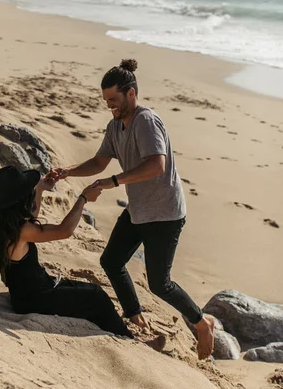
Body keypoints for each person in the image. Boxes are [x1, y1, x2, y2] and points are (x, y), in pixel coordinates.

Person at [52, 59, 215, 359]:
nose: (109, 105)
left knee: (160, 284)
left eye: (113, 99)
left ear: (130, 93)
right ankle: (134, 314)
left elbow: (156, 165)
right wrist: (68, 172)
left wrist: (113, 181)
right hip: (138, 209)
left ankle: (201, 322)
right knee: (111, 261)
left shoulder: (146, 121)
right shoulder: (115, 126)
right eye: (105, 100)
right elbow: (99, 162)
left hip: (164, 214)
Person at [0, 165, 134, 339]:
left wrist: (40, 189)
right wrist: (83, 198)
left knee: (86, 291)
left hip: (29, 293)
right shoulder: (21, 231)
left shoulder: (2, 224)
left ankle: (114, 327)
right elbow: (64, 231)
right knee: (96, 296)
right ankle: (128, 337)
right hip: (35, 299)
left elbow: (30, 216)